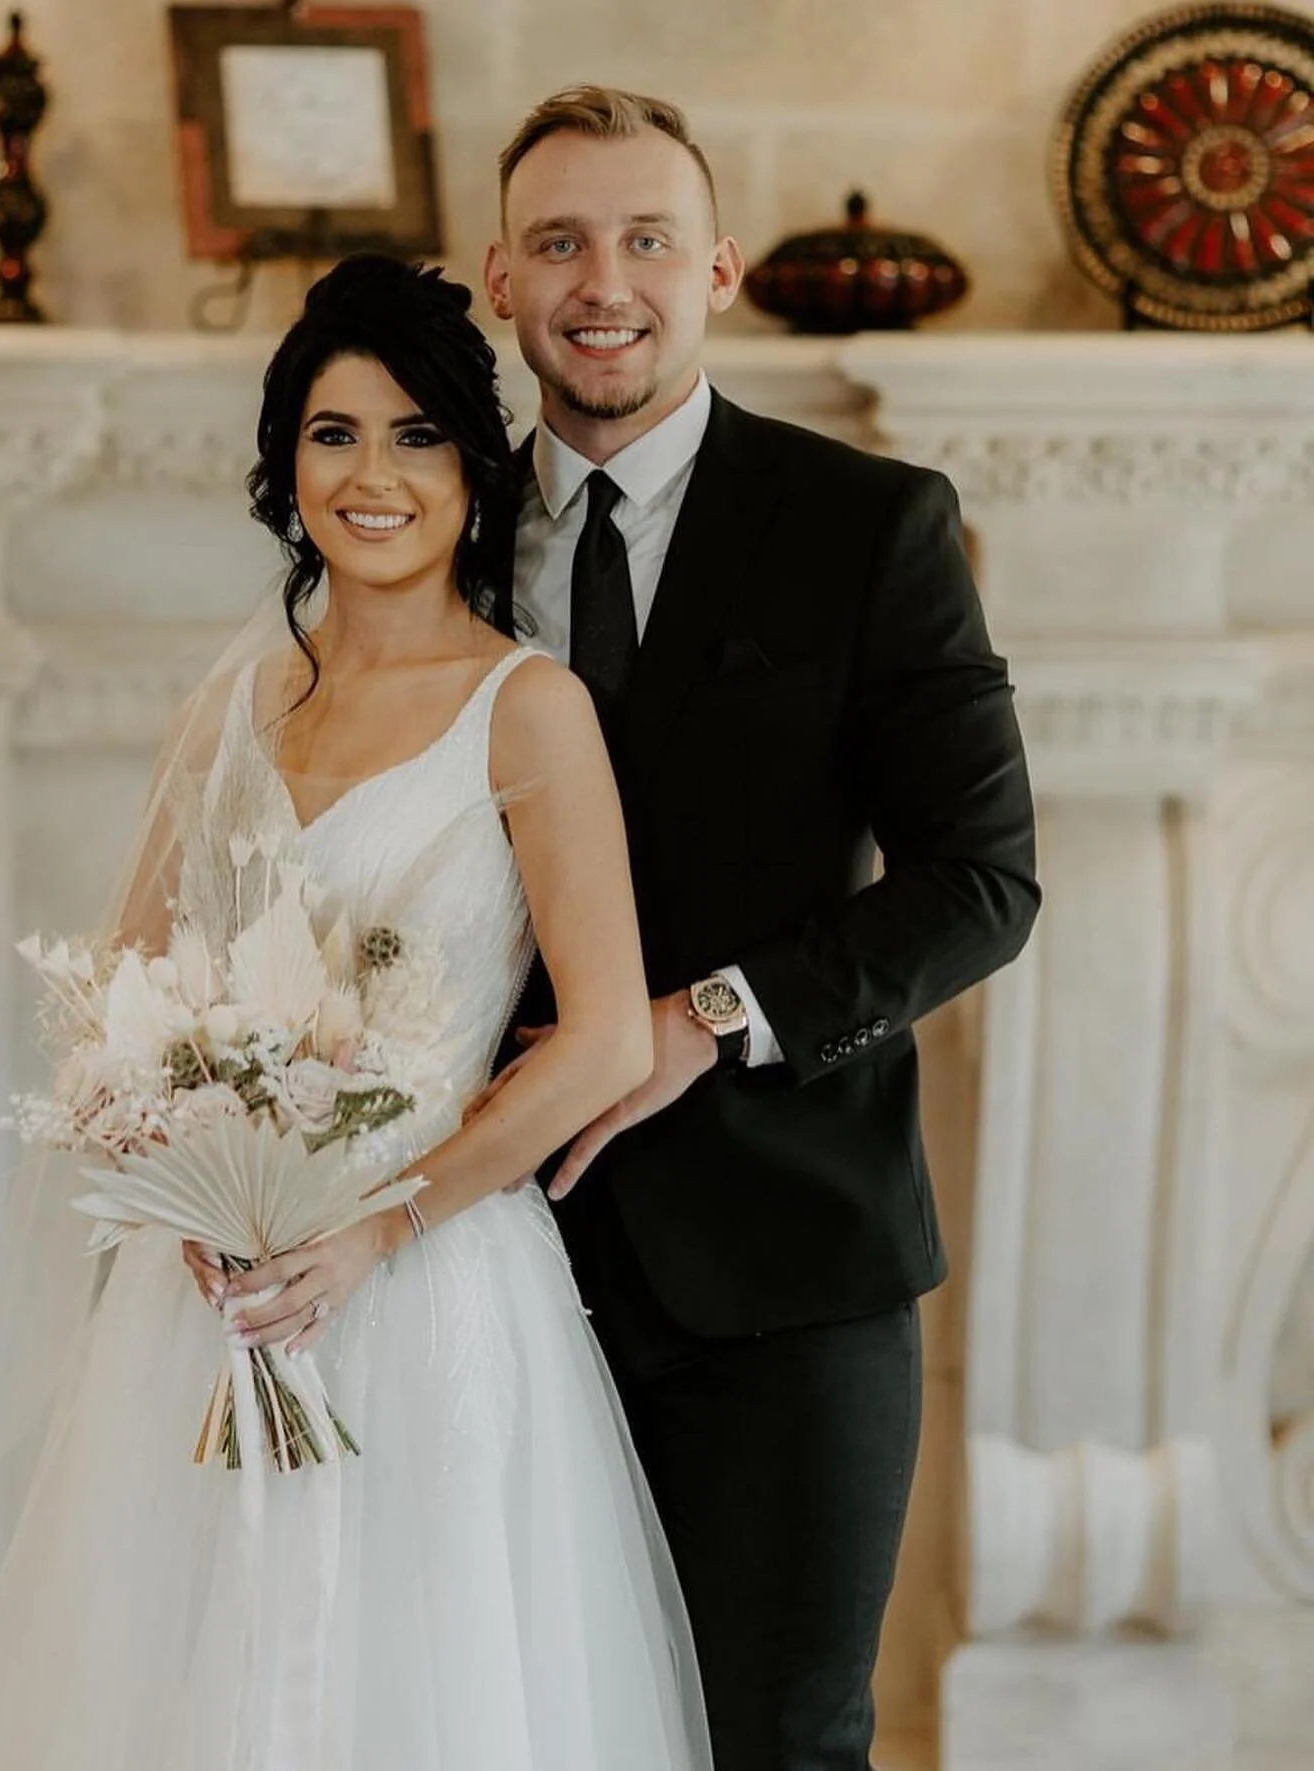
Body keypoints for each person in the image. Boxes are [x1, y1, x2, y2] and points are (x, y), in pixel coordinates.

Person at [0, 255, 712, 1771]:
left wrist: (379, 1225)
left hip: (430, 1281)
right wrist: (185, 1178)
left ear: (473, 470)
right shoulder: (232, 709)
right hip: (209, 1300)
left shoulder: (529, 709)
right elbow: (124, 993)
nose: (372, 476)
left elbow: (601, 1037)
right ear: (287, 465)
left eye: (416, 436)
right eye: (335, 434)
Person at [476, 86, 1041, 1771]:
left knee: (780, 1743)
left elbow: (982, 877)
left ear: (716, 269)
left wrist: (700, 1019)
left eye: (647, 239)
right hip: (484, 1269)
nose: (605, 283)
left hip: (792, 1271)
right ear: (499, 279)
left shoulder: (872, 525)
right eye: (561, 242)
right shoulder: (421, 535)